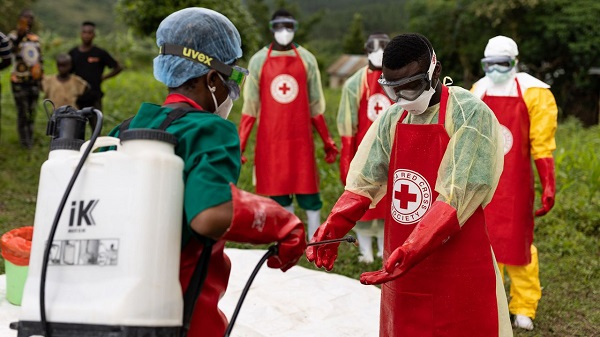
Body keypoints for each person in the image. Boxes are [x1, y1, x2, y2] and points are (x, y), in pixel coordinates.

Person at [106, 8, 306, 337]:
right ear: (213, 79)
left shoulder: (124, 129)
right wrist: (281, 221)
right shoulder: (210, 131)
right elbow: (208, 215)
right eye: (233, 80)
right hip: (179, 316)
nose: (232, 92)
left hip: (113, 307)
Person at [307, 33, 512, 336]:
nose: (402, 98)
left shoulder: (469, 114)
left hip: (455, 254)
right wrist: (337, 221)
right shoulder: (393, 118)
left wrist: (415, 246)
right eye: (393, 90)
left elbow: (461, 191)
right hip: (399, 256)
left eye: (411, 86)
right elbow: (366, 177)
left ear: (435, 71)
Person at [471, 35, 557, 331]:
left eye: (502, 64)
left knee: (518, 244)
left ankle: (523, 305)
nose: (495, 71)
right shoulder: (477, 90)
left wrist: (548, 183)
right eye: (489, 65)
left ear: (515, 62)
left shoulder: (535, 92)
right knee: (483, 243)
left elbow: (542, 143)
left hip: (516, 182)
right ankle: (489, 302)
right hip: (484, 181)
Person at [239, 9, 338, 239]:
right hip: (271, 138)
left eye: (289, 27)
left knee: (308, 190)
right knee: (278, 190)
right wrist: (241, 144)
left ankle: (314, 237)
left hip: (300, 138)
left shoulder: (307, 59)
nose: (284, 32)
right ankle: (289, 235)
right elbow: (250, 107)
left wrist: (327, 140)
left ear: (295, 28)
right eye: (280, 27)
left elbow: (316, 106)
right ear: (272, 28)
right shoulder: (258, 61)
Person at [337, 33, 392, 263]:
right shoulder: (354, 83)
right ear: (366, 51)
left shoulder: (397, 79)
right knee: (365, 197)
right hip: (364, 149)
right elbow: (347, 123)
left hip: (392, 149)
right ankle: (365, 250)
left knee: (389, 199)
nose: (378, 55)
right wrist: (347, 158)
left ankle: (383, 245)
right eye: (374, 50)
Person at [69, 21, 122, 110]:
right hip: (78, 95)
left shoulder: (99, 53)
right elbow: (68, 72)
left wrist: (103, 77)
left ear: (94, 35)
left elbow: (118, 67)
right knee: (77, 122)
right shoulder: (73, 53)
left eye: (89, 33)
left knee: (96, 122)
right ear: (80, 34)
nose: (86, 35)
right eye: (84, 32)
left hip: (95, 95)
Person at [8, 9, 42, 149]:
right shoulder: (12, 36)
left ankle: (30, 138)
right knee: (22, 111)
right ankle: (25, 143)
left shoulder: (35, 38)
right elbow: (10, 52)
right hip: (19, 81)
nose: (28, 20)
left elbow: (40, 59)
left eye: (31, 17)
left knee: (32, 111)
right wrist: (19, 37)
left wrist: (41, 77)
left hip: (34, 81)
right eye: (25, 17)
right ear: (20, 19)